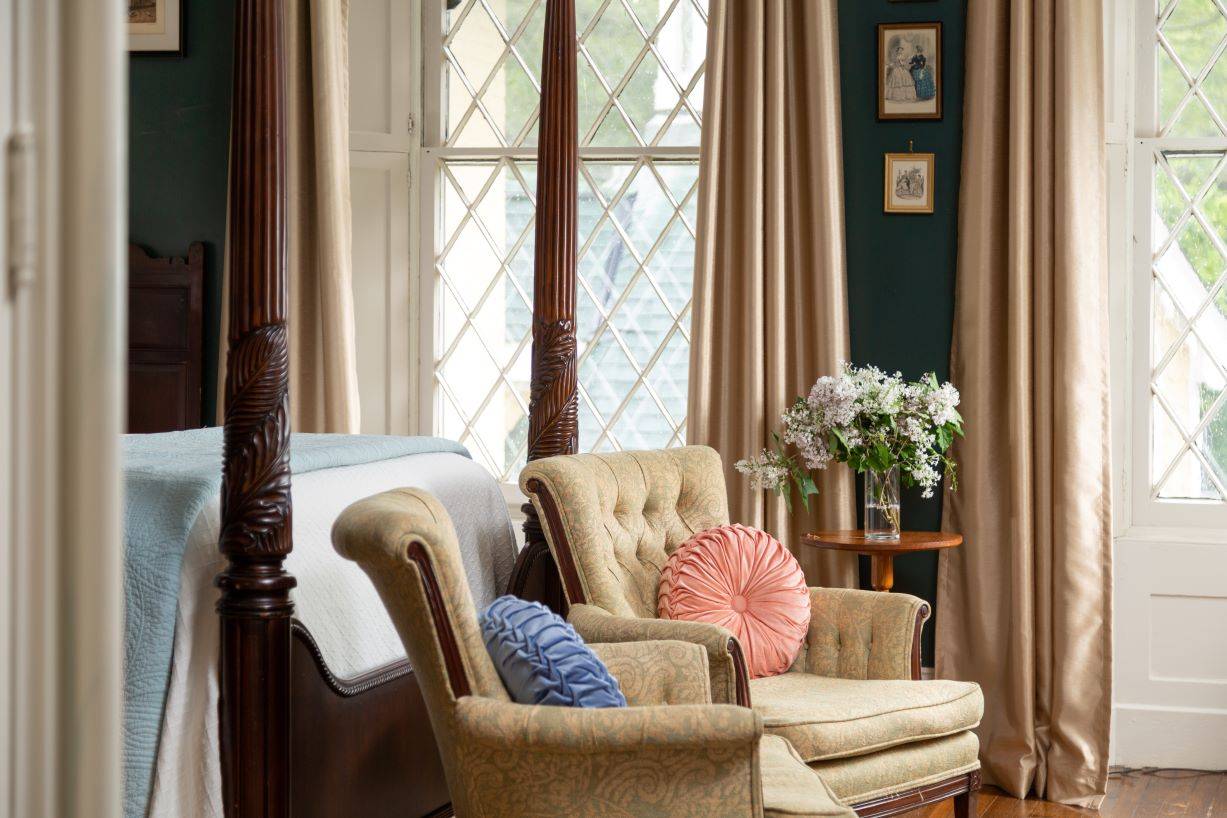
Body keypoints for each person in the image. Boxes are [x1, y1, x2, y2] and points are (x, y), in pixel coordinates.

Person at [884, 39, 917, 103]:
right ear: (897, 51)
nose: (901, 51)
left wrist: (905, 63)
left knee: (906, 80)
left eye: (901, 50)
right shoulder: (896, 56)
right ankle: (897, 96)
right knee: (897, 79)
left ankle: (906, 96)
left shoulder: (902, 56)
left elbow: (904, 63)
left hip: (902, 68)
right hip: (897, 69)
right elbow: (896, 63)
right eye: (900, 50)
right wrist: (892, 64)